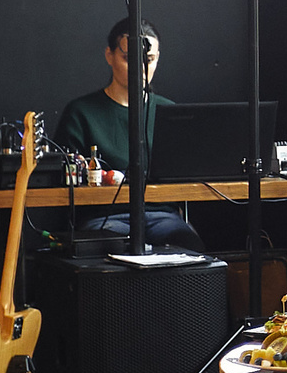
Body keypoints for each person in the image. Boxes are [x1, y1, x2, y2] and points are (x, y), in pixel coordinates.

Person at [53, 15, 202, 251]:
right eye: (128, 58)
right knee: (116, 245)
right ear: (109, 56)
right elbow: (63, 177)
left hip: (162, 214)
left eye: (149, 59)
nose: (141, 68)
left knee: (184, 242)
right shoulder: (81, 113)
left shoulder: (169, 112)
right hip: (104, 217)